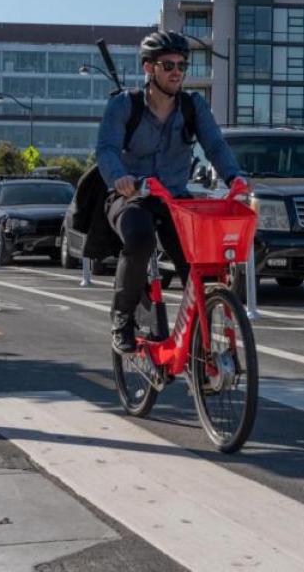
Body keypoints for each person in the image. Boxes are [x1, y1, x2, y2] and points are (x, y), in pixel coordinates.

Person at [95, 30, 244, 352]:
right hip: (132, 196)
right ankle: (122, 318)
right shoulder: (124, 105)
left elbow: (215, 145)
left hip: (175, 199)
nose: (177, 71)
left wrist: (235, 178)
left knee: (199, 263)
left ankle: (198, 346)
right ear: (149, 68)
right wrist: (120, 178)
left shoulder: (193, 106)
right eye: (168, 65)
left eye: (182, 65)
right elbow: (106, 149)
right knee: (141, 240)